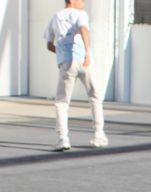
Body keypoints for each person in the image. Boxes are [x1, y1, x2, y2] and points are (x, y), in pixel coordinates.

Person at [44, 0, 108, 151]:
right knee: (95, 97)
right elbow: (84, 29)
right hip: (84, 61)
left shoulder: (55, 17)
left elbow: (48, 44)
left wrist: (62, 53)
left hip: (67, 63)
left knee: (62, 102)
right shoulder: (80, 14)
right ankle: (99, 134)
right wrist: (86, 53)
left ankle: (63, 138)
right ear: (71, 1)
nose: (84, 2)